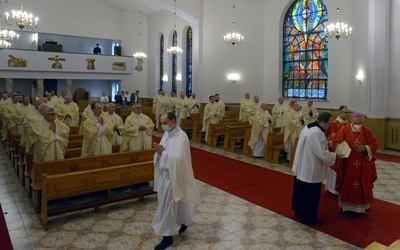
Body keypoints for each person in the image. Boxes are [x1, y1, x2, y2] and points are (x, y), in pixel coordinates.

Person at [152, 112, 201, 250]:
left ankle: (167, 238)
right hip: (165, 175)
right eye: (161, 123)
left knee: (168, 207)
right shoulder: (167, 134)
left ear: (173, 121)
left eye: (165, 123)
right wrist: (158, 152)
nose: (162, 126)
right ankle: (186, 221)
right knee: (178, 203)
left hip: (174, 177)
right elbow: (162, 152)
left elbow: (179, 159)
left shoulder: (181, 137)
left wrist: (163, 153)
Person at [292, 112, 342, 225]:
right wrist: (335, 156)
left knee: (302, 192)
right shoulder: (316, 132)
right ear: (323, 122)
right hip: (311, 168)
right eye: (329, 123)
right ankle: (310, 218)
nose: (330, 126)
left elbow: (316, 145)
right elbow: (321, 153)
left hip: (304, 166)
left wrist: (326, 143)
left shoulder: (310, 125)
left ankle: (300, 212)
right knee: (311, 194)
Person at [332, 112, 378, 215]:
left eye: (359, 123)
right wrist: (341, 148)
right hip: (347, 163)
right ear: (351, 120)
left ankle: (360, 207)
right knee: (347, 182)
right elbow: (335, 143)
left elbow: (374, 144)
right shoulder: (344, 130)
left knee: (361, 183)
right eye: (356, 122)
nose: (358, 125)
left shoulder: (367, 131)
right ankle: (346, 206)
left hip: (362, 164)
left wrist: (365, 148)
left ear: (362, 121)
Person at [324, 105, 350, 195]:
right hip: (337, 149)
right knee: (336, 169)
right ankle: (333, 189)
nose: (347, 114)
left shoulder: (347, 123)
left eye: (348, 112)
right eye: (345, 112)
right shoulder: (335, 123)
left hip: (346, 149)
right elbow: (333, 137)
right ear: (340, 113)